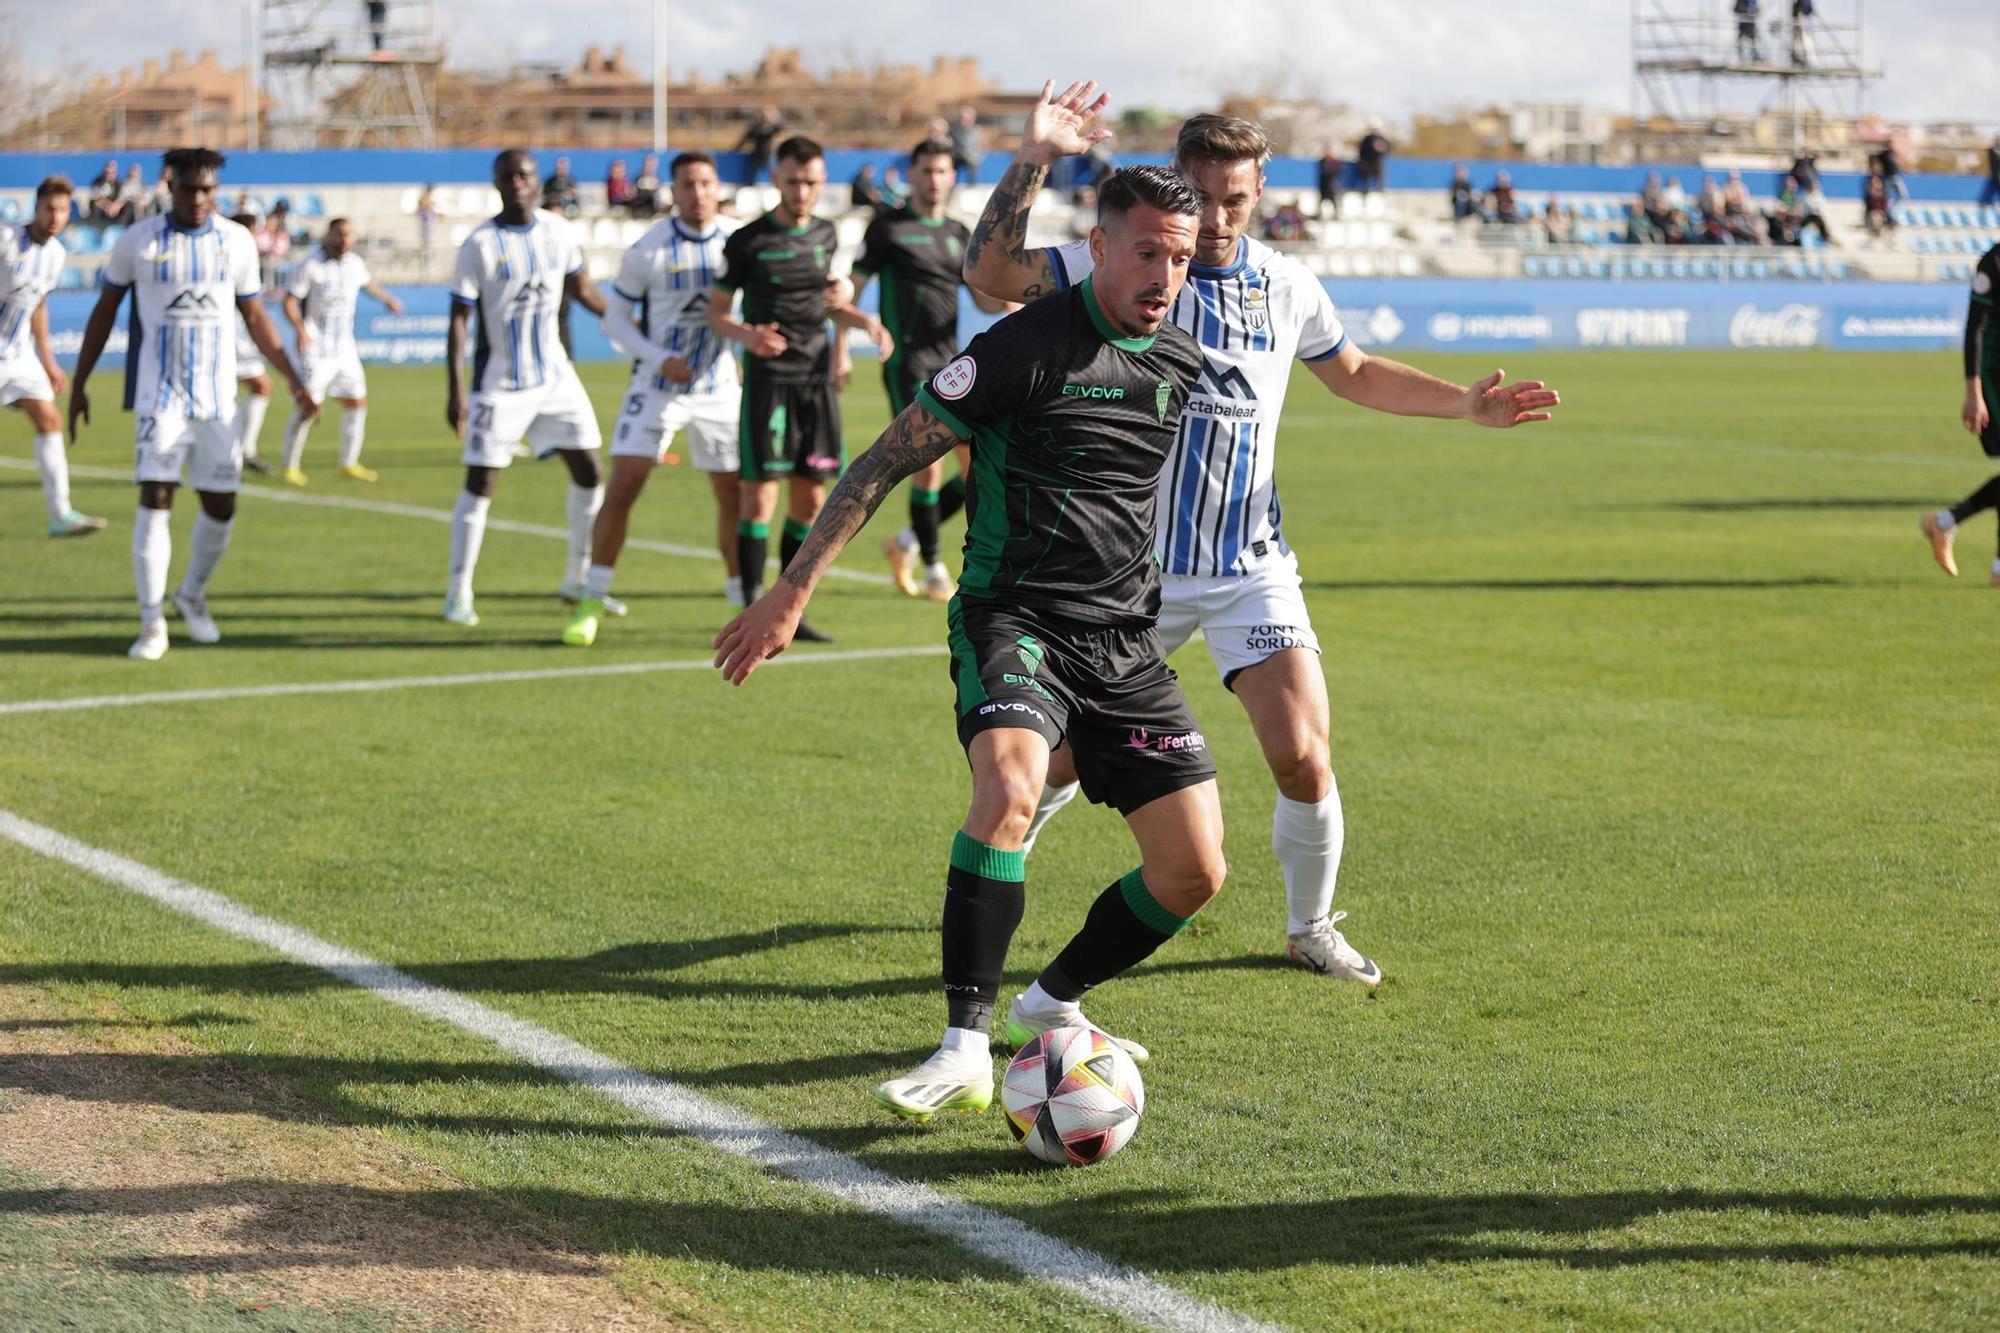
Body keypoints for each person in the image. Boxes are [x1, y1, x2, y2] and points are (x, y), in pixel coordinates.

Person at [964, 93, 1560, 984]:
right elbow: (997, 275)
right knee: (1056, 763)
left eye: (1232, 199)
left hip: (1250, 569)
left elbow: (1352, 372)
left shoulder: (1289, 285)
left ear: (1260, 191)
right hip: (1131, 577)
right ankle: (1002, 868)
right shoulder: (1129, 270)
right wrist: (1033, 156)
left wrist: (1462, 405)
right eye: (1198, 195)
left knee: (1303, 752)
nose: (1212, 219)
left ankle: (1309, 925)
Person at [718, 164, 1219, 1121]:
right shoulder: (1020, 346)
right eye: (1148, 251)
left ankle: (1051, 999)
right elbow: (882, 459)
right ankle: (964, 1046)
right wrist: (791, 589)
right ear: (1100, 247)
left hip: (1124, 640)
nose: (1165, 274)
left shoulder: (1180, 363)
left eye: (1182, 258)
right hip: (1014, 617)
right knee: (1011, 787)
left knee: (1195, 870)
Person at [67, 147, 315, 660]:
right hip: (159, 397)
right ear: (170, 186)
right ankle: (151, 621)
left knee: (221, 507)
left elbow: (256, 318)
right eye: (188, 189)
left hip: (219, 401)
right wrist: (80, 383)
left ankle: (192, 595)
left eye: (207, 190)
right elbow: (105, 310)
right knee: (156, 498)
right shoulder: (138, 241)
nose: (198, 198)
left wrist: (292, 377)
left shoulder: (237, 241)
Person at [705, 135, 891, 643]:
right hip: (769, 383)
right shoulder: (747, 241)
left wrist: (861, 321)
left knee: (810, 502)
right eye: (792, 181)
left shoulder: (827, 235)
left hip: (815, 383)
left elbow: (825, 304)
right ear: (775, 179)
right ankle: (747, 604)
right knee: (758, 499)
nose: (802, 191)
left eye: (810, 182)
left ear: (822, 181)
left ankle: (788, 605)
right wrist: (749, 335)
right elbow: (716, 312)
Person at [564, 151, 741, 647]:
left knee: (732, 493)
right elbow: (615, 318)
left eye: (706, 183)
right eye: (688, 184)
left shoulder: (737, 241)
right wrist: (655, 355)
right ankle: (592, 599)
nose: (698, 193)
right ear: (674, 191)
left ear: (717, 187)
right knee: (623, 484)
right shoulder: (649, 249)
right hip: (657, 385)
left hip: (718, 388)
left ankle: (738, 600)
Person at [441, 149, 610, 627]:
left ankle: (577, 579)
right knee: (481, 484)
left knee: (591, 471)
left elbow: (583, 289)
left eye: (525, 175)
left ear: (538, 182)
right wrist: (455, 391)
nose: (517, 183)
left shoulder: (559, 231)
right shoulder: (479, 244)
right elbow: (458, 321)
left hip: (556, 377)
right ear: (496, 184)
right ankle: (458, 592)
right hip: (501, 384)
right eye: (508, 176)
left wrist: (623, 317)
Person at [856, 139, 1012, 601]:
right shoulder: (887, 228)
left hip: (951, 361)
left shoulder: (958, 232)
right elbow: (854, 285)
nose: (934, 179)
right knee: (926, 469)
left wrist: (1017, 300)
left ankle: (903, 542)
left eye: (942, 171)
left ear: (951, 177)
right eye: (926, 170)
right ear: (912, 174)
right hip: (906, 361)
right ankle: (932, 567)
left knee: (978, 469)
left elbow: (983, 297)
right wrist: (846, 336)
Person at [2, 177, 103, 537]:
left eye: (62, 210)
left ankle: (61, 515)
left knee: (50, 421)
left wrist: (48, 361)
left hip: (18, 355)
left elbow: (38, 306)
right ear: (36, 208)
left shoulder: (57, 254)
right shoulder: (7, 239)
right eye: (50, 209)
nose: (56, 217)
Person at [276, 218, 404, 485]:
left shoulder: (354, 264)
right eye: (339, 234)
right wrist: (300, 329)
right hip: (316, 348)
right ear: (329, 235)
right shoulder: (311, 265)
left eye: (349, 235)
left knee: (356, 403)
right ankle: (290, 467)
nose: (344, 240)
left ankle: (349, 463)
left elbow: (368, 284)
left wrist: (387, 299)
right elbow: (289, 300)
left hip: (345, 348)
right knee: (308, 407)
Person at [1919, 241, 2000, 587]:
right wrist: (1974, 393)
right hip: (1994, 375)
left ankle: (1945, 523)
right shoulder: (1994, 262)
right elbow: (1975, 328)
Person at [226, 208, 278, 478]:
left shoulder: (242, 253)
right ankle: (236, 451)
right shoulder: (229, 253)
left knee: (261, 385)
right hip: (226, 330)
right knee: (228, 394)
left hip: (237, 330)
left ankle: (244, 450)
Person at [736, 107, 784, 185]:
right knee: (752, 173)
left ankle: (778, 186)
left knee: (775, 172)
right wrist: (736, 149)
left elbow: (780, 130)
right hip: (758, 154)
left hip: (770, 154)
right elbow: (747, 138)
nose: (766, 117)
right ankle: (750, 186)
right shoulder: (757, 127)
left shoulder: (774, 127)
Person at [950, 106, 984, 182]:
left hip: (971, 157)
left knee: (973, 167)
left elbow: (977, 145)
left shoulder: (976, 130)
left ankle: (971, 187)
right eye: (962, 118)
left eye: (966, 119)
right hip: (958, 156)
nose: (963, 121)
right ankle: (951, 186)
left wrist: (977, 157)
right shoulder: (954, 130)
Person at [1356, 121, 1390, 195]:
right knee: (1366, 179)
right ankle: (1366, 191)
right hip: (1367, 162)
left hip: (1377, 162)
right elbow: (1362, 151)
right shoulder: (1367, 139)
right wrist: (1362, 161)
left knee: (1379, 178)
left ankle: (1380, 191)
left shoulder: (1382, 138)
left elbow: (1387, 149)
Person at [86, 160, 122, 226]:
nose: (109, 175)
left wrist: (115, 206)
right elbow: (96, 198)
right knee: (95, 207)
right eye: (107, 172)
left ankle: (121, 227)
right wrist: (107, 206)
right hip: (102, 208)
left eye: (112, 173)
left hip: (114, 210)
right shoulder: (97, 182)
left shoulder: (119, 183)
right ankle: (94, 227)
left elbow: (122, 198)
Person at [1317, 146, 1343, 219]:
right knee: (1321, 201)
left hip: (1332, 186)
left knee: (1334, 201)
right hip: (1324, 186)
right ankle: (1319, 214)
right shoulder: (1322, 161)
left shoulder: (1335, 162)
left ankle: (1336, 215)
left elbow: (1338, 173)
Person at [1982, 135, 2000, 211]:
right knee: (1991, 189)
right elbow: (1992, 163)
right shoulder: (1991, 150)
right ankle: (1986, 203)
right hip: (1994, 174)